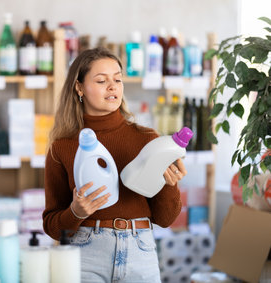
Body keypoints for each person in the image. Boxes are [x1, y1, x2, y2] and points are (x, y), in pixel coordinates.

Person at [42, 47, 186, 282]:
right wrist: (75, 212)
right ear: (79, 87)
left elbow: (165, 219)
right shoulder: (62, 147)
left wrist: (170, 184)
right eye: (101, 80)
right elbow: (53, 226)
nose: (113, 86)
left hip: (140, 250)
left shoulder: (147, 139)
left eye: (117, 79)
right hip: (85, 253)